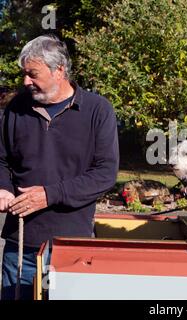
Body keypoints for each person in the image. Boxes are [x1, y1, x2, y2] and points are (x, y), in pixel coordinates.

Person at [0, 34, 119, 299]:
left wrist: (49, 195)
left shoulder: (98, 110)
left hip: (71, 248)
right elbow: (1, 159)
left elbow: (105, 173)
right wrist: (3, 188)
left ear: (60, 70)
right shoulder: (15, 108)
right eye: (24, 74)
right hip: (19, 248)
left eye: (33, 74)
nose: (25, 81)